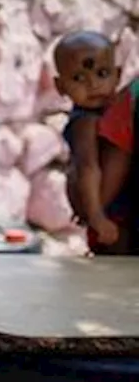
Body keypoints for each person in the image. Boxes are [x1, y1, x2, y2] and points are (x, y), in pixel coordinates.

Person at [53, 31, 132, 253]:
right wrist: (96, 216)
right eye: (78, 78)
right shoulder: (85, 123)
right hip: (109, 213)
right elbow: (88, 167)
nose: (93, 84)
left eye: (102, 73)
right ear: (60, 86)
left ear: (117, 75)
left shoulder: (111, 110)